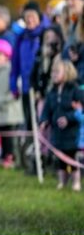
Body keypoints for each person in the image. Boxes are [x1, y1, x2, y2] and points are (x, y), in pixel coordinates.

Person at [39, 59, 82, 191]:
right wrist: (44, 120)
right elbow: (47, 109)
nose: (54, 74)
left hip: (71, 132)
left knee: (71, 157)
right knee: (60, 159)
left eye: (57, 71)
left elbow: (80, 109)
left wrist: (69, 119)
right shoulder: (52, 92)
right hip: (57, 132)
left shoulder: (74, 90)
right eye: (53, 72)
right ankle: (62, 182)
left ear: (67, 72)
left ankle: (76, 182)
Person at [12, 1, 49, 131]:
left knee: (41, 119)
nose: (29, 19)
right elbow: (15, 62)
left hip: (41, 86)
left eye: (32, 16)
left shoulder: (46, 34)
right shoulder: (21, 37)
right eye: (26, 16)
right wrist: (13, 85)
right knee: (28, 120)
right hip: (26, 86)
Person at [0, 39, 23, 168]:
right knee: (1, 135)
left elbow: (14, 91)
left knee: (10, 137)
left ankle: (12, 158)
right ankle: (3, 157)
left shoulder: (11, 70)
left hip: (10, 110)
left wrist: (3, 101)